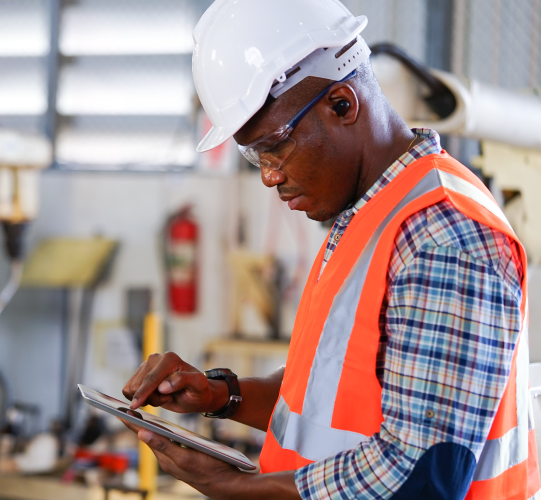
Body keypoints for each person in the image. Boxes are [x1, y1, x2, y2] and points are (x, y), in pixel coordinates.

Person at [119, 1, 540, 499]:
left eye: (274, 144)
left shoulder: (443, 234)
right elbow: (328, 401)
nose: (269, 175)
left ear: (342, 103)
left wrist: (235, 489)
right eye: (253, 153)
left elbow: (422, 476)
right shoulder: (371, 214)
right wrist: (224, 395)